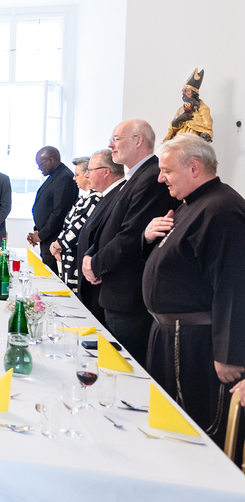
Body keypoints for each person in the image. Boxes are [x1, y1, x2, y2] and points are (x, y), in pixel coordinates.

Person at [143, 134, 245, 439]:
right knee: (168, 424)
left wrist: (229, 353)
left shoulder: (222, 209)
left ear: (194, 167)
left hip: (195, 343)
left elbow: (233, 283)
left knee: (194, 431)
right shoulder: (192, 205)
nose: (161, 179)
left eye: (167, 171)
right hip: (171, 335)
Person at [81, 119, 179, 365]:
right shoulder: (134, 177)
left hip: (129, 294)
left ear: (138, 141)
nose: (110, 144)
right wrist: (90, 254)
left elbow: (132, 236)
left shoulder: (151, 178)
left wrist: (96, 264)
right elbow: (107, 226)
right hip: (115, 290)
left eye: (116, 138)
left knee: (123, 369)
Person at [74, 150, 125, 325]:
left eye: (90, 170)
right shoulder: (107, 195)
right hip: (93, 274)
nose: (87, 175)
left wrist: (94, 263)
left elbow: (113, 237)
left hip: (105, 280)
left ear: (105, 171)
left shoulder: (119, 195)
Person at [49, 157, 100, 293]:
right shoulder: (84, 198)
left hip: (76, 258)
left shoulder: (94, 198)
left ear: (87, 175)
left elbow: (76, 229)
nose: (74, 178)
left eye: (77, 175)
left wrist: (56, 245)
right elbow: (68, 226)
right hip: (68, 258)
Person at [27, 146, 79, 274]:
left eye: (40, 164)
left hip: (55, 240)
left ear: (50, 160)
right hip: (47, 237)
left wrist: (41, 235)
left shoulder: (64, 178)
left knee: (51, 278)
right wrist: (38, 231)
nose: (39, 168)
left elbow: (60, 212)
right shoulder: (55, 176)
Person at [163, 68, 213, 143]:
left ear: (193, 93)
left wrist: (204, 137)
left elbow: (207, 129)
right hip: (178, 141)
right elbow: (172, 129)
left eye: (186, 91)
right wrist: (179, 119)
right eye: (182, 91)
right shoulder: (181, 110)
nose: (183, 94)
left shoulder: (203, 109)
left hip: (193, 142)